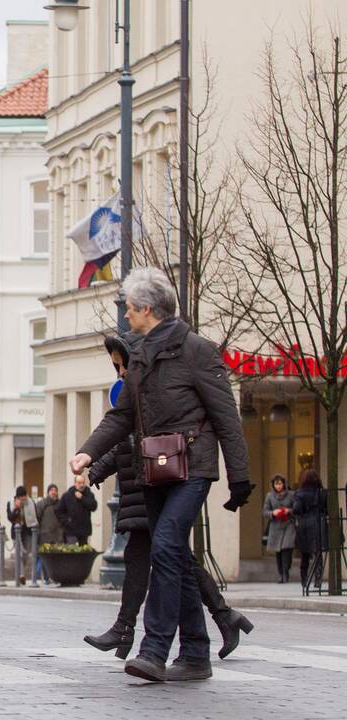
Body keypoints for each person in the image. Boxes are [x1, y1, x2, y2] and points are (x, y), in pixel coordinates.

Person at [69, 268, 251, 683]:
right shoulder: (141, 358)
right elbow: (122, 417)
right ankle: (195, 653)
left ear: (147, 309)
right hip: (156, 469)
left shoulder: (197, 351)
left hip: (192, 467)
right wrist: (86, 452)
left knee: (166, 544)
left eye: (129, 309)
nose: (126, 316)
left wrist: (239, 477)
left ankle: (153, 649)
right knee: (177, 559)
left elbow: (227, 417)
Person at [292, 469, 328, 590]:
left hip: (305, 525)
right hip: (319, 523)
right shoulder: (322, 493)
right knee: (318, 554)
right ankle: (318, 578)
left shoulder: (299, 493)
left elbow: (296, 509)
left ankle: (304, 579)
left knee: (305, 554)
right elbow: (327, 509)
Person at [263, 474, 296, 583]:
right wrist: (273, 513)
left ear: (284, 484)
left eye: (280, 483)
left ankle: (286, 572)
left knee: (287, 549)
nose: (278, 486)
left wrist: (289, 511)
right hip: (275, 526)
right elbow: (265, 511)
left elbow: (296, 508)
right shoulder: (269, 496)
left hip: (288, 525)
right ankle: (281, 574)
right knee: (278, 552)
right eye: (276, 484)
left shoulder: (291, 495)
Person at [7, 486, 39, 586]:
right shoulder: (11, 503)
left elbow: (35, 516)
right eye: (21, 497)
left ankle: (22, 572)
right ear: (18, 497)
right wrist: (17, 509)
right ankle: (21, 575)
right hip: (16, 532)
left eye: (24, 497)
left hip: (28, 531)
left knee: (25, 555)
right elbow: (10, 518)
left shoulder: (31, 502)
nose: (23, 499)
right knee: (19, 554)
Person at [55, 476, 97, 545]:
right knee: (72, 551)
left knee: (83, 552)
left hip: (84, 530)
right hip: (71, 529)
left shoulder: (88, 494)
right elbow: (58, 511)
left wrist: (82, 498)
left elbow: (93, 507)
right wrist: (66, 521)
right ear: (75, 483)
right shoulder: (67, 495)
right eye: (79, 483)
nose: (82, 485)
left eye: (83, 483)